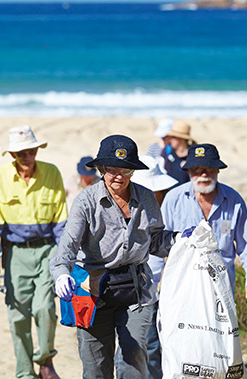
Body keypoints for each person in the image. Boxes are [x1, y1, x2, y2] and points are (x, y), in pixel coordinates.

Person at [50, 135, 177, 379]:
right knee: (96, 366)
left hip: (136, 288)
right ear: (101, 169)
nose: (119, 176)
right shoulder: (85, 202)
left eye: (126, 170)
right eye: (112, 169)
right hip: (92, 290)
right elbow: (66, 248)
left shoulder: (147, 198)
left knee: (133, 356)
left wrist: (181, 240)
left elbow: (156, 241)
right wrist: (61, 275)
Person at [0, 125, 68, 379]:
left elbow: (61, 224)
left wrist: (65, 261)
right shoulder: (0, 178)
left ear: (36, 150)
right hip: (15, 253)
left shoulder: (52, 173)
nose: (27, 156)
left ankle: (45, 360)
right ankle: (25, 371)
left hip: (48, 250)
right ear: (13, 154)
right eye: (22, 152)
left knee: (45, 307)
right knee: (17, 315)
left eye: (31, 151)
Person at [160, 143, 247, 310]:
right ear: (188, 172)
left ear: (218, 170)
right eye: (197, 169)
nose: (203, 174)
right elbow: (157, 247)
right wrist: (150, 288)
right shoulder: (173, 200)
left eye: (209, 168)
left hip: (221, 294)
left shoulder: (234, 201)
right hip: (181, 292)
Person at [119, 155, 178, 378]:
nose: (158, 195)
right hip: (137, 292)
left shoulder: (162, 207)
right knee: (146, 347)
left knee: (156, 347)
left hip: (160, 291)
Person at [160, 120, 195, 187]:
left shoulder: (192, 156)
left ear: (181, 139)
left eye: (172, 137)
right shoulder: (168, 151)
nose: (170, 140)